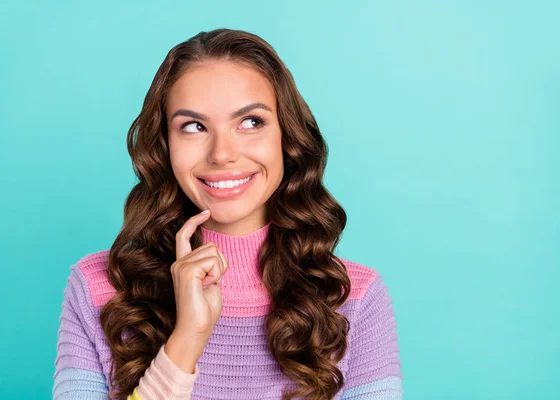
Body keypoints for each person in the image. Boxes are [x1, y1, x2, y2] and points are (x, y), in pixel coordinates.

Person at [53, 28, 403, 400]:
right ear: (164, 147)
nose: (222, 153)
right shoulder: (98, 289)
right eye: (193, 126)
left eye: (251, 122)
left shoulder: (354, 297)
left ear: (288, 137)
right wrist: (186, 339)